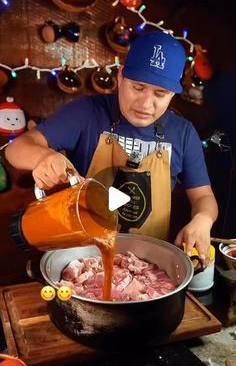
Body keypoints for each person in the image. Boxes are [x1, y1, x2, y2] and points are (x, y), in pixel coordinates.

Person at [5, 31, 218, 264]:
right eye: (138, 87)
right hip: (83, 260)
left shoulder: (183, 132)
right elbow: (16, 149)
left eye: (160, 93)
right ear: (121, 77)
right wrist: (42, 157)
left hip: (148, 267)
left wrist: (203, 219)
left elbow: (203, 196)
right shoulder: (87, 113)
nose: (146, 104)